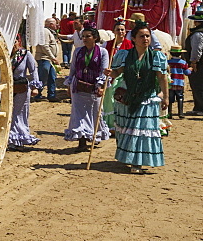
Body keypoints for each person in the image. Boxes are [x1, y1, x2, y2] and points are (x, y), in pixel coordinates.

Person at [110, 22, 168, 174]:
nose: (145, 39)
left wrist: (165, 97)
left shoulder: (157, 56)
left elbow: (162, 78)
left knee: (142, 130)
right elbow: (118, 72)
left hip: (147, 97)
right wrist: (110, 73)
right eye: (141, 36)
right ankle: (129, 158)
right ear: (134, 39)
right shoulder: (125, 55)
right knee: (128, 130)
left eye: (147, 36)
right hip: (128, 97)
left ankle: (137, 163)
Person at [63, 28, 110, 151]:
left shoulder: (102, 52)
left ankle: (94, 136)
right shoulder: (78, 51)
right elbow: (72, 69)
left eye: (87, 36)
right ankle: (82, 142)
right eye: (83, 36)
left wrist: (100, 86)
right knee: (78, 114)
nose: (84, 39)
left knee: (95, 114)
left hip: (94, 88)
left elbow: (103, 70)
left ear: (95, 37)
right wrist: (69, 84)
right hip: (78, 87)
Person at [9, 35, 41, 149]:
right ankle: (7, 138)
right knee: (6, 113)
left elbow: (33, 69)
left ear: (19, 41)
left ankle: (20, 138)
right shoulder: (3, 54)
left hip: (21, 88)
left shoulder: (26, 54)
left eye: (15, 41)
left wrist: (35, 86)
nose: (13, 43)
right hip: (6, 88)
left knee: (20, 113)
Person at [33, 17, 61, 102]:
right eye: (56, 24)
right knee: (43, 77)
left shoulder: (51, 32)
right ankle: (38, 94)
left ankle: (51, 95)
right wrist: (52, 57)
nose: (57, 26)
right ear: (51, 24)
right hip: (44, 58)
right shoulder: (45, 31)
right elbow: (45, 45)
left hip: (49, 59)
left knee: (52, 77)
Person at [187, 15, 203, 115]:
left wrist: (194, 62)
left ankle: (200, 108)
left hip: (200, 64)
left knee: (198, 85)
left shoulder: (198, 34)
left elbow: (197, 49)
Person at [167, 46, 188, 119]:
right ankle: (181, 113)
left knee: (170, 98)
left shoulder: (168, 62)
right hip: (179, 82)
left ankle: (169, 113)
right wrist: (190, 69)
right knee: (180, 97)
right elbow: (187, 72)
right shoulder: (183, 63)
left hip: (170, 83)